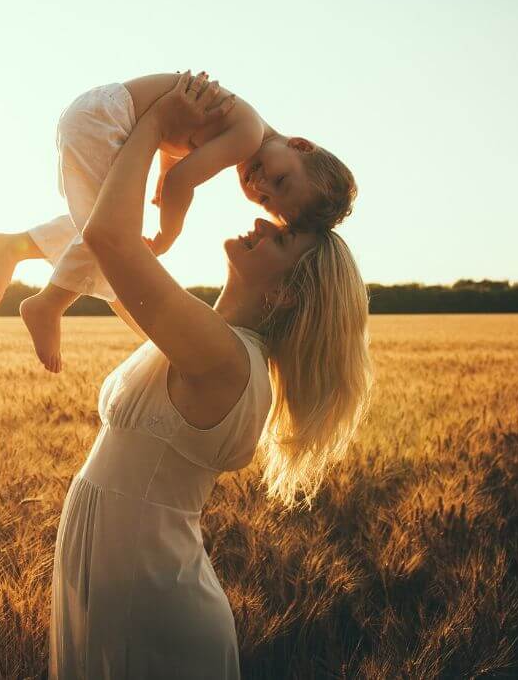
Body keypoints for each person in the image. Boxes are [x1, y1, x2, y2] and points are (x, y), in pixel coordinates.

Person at [46, 72, 374, 678]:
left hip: (150, 601)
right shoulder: (204, 339)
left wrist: (154, 124)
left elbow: (112, 239)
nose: (265, 221)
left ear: (282, 298)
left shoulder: (224, 358)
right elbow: (103, 262)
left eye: (284, 236)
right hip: (114, 582)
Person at [0, 71, 357, 372]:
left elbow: (178, 144)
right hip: (106, 122)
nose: (260, 184)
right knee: (113, 234)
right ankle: (48, 304)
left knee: (98, 224)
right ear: (301, 145)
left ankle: (13, 245)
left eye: (264, 199)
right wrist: (168, 232)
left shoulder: (245, 124)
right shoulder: (248, 136)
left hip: (97, 113)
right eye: (280, 180)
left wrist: (163, 174)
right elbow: (183, 180)